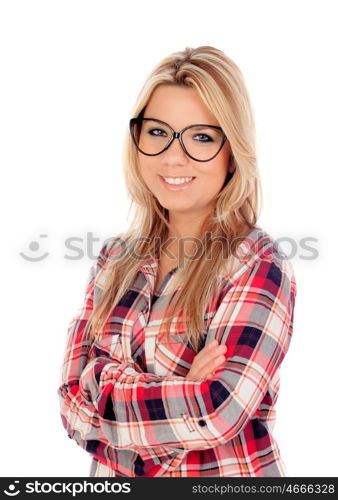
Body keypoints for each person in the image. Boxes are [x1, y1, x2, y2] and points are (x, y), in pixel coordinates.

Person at [57, 45, 297, 477]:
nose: (173, 156)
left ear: (232, 151)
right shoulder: (113, 259)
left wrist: (107, 388)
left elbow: (215, 414)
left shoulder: (258, 262)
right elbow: (70, 406)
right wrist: (182, 388)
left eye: (201, 137)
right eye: (158, 132)